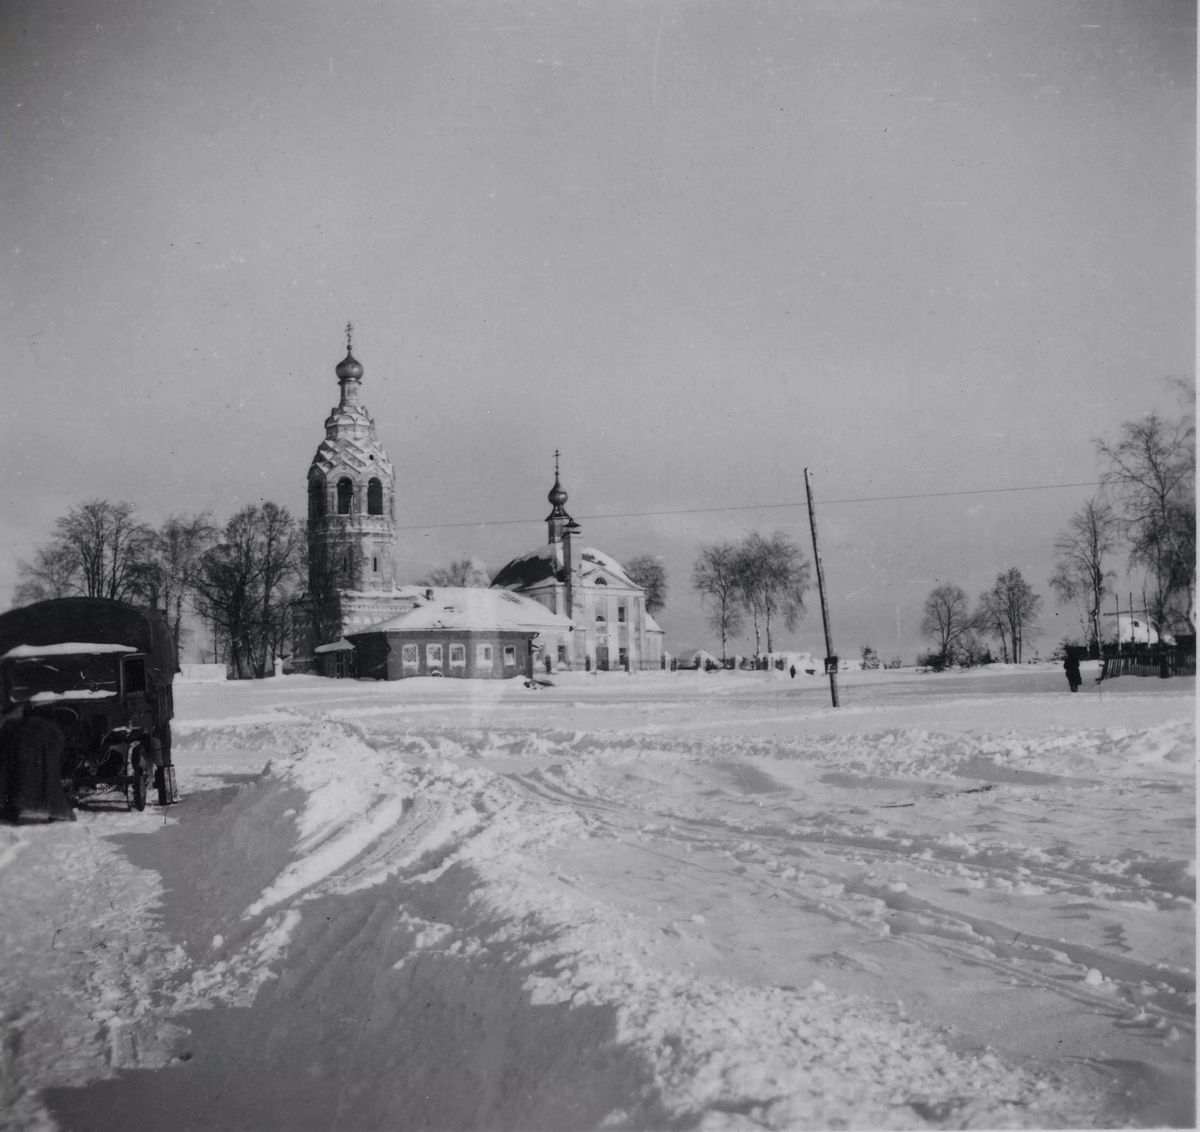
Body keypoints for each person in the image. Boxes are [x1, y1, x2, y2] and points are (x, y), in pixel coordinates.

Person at [0, 707, 75, 823]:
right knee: (48, 783)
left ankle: (11, 812)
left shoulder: (16, 727)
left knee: (18, 784)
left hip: (23, 764)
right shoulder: (53, 731)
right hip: (45, 765)